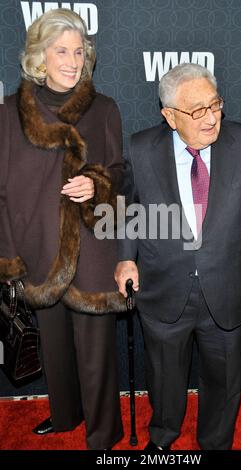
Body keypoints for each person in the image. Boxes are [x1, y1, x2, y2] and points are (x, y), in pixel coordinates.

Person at [115, 63, 241, 451]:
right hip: (163, 286)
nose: (211, 118)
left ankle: (216, 442)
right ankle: (162, 437)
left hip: (227, 287)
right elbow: (130, 210)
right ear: (169, 116)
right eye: (197, 111)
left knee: (224, 381)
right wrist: (125, 258)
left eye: (215, 105)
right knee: (163, 377)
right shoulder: (141, 148)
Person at [0, 8, 126, 450]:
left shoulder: (104, 108)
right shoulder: (10, 113)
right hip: (38, 245)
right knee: (54, 347)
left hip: (91, 246)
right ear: (40, 55)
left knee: (96, 353)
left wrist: (96, 182)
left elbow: (118, 172)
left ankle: (104, 433)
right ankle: (64, 415)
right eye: (61, 51)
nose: (72, 61)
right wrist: (9, 256)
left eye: (79, 51)